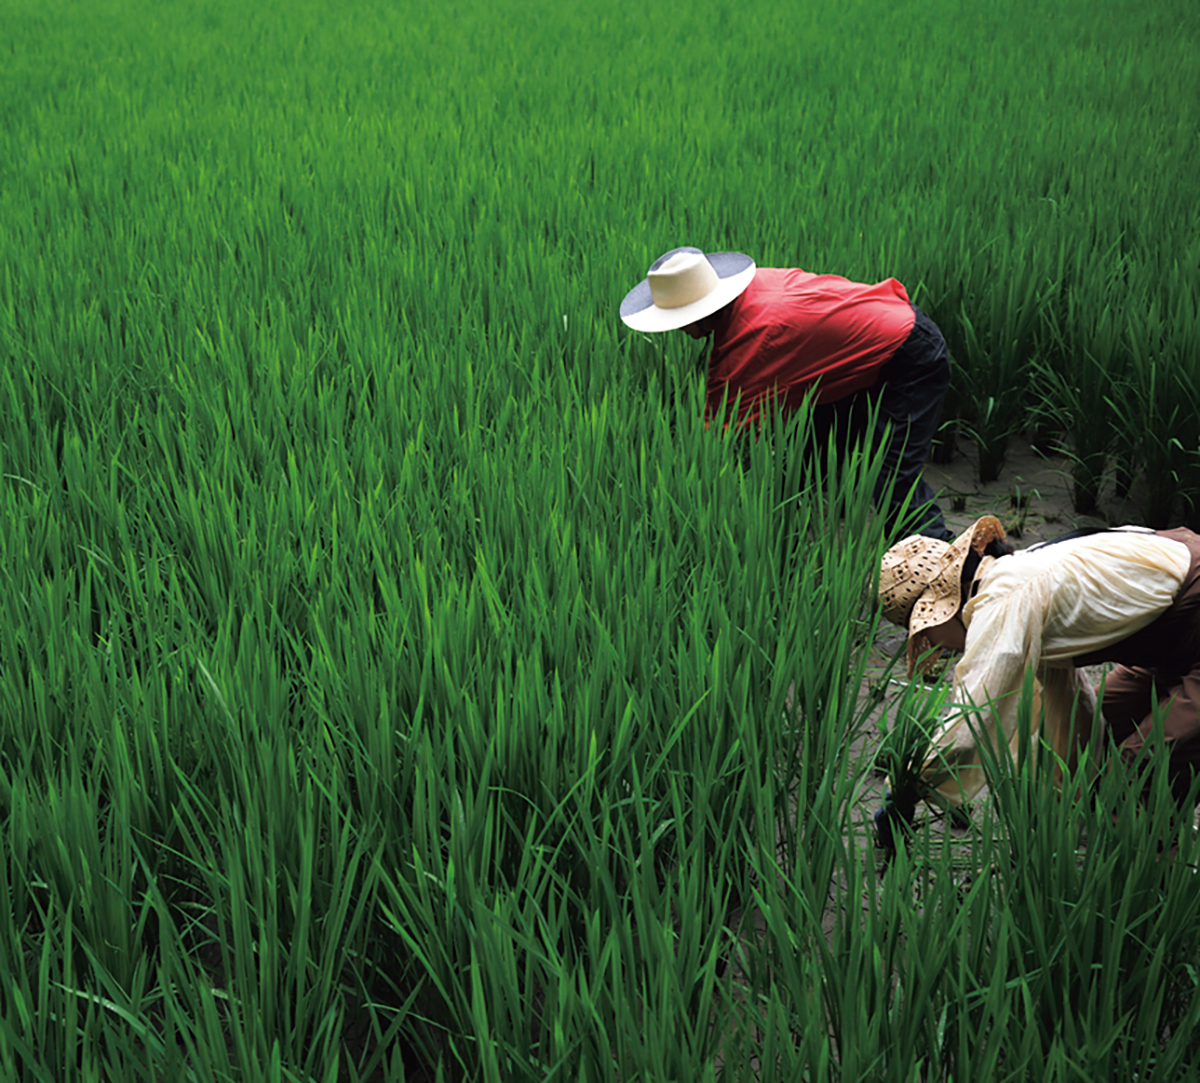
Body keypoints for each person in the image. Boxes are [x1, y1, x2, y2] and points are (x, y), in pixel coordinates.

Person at [875, 516, 1200, 842]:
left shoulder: (1003, 601)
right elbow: (1072, 709)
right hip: (1172, 642)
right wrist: (1050, 811)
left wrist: (907, 782)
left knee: (1130, 781)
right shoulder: (1017, 578)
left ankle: (1151, 877)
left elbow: (970, 724)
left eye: (923, 631)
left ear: (941, 605)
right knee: (1107, 728)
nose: (931, 643)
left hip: (1189, 620)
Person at [619, 245, 955, 541]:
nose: (679, 329)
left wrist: (662, 486)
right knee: (801, 461)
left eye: (679, 319)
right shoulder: (751, 290)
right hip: (858, 355)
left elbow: (712, 443)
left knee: (891, 480)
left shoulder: (749, 340)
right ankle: (781, 545)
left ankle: (957, 571)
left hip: (909, 358)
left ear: (702, 312)